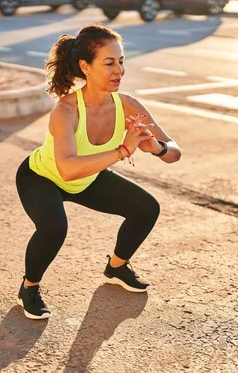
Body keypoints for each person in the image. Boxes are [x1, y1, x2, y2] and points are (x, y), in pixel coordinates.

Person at [15, 24, 181, 320]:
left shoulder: (127, 104)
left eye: (121, 61)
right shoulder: (66, 110)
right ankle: (29, 287)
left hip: (88, 176)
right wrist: (123, 150)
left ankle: (116, 266)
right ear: (85, 67)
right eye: (109, 63)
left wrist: (156, 147)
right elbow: (66, 170)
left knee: (146, 208)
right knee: (54, 227)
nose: (119, 70)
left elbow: (174, 151)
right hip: (42, 177)